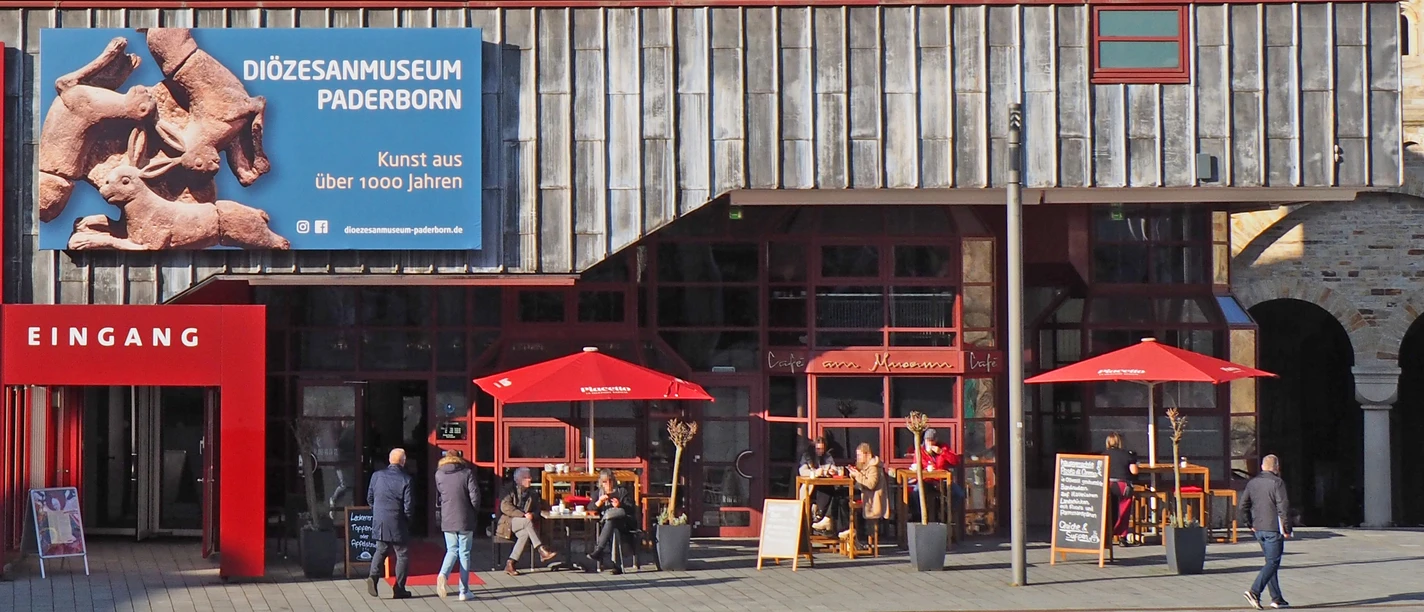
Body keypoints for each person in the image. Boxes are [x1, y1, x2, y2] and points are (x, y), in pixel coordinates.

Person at [1239, 454, 1293, 610]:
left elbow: (1243, 506)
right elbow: (1283, 507)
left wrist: (1249, 523)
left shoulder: (1253, 483)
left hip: (1259, 528)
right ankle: (1254, 591)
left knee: (1270, 562)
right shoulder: (1278, 483)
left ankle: (1277, 598)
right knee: (1272, 562)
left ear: (1262, 466)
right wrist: (1287, 528)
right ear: (1276, 467)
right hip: (1273, 528)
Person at [367, 448, 414, 600]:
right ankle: (399, 588)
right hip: (397, 519)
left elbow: (370, 498)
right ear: (403, 461)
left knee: (381, 549)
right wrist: (407, 520)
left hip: (380, 519)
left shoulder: (377, 476)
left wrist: (377, 511)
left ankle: (373, 577)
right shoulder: (406, 479)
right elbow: (408, 506)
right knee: (402, 554)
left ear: (389, 460)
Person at [434, 450, 479, 601]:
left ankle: (443, 574)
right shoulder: (467, 473)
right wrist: (474, 512)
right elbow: (475, 497)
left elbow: (439, 497)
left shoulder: (439, 474)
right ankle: (463, 591)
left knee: (452, 550)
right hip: (465, 518)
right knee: (464, 553)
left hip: (448, 517)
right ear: (459, 459)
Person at [496, 467, 558, 576]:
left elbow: (537, 510)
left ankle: (510, 563)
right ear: (518, 479)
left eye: (529, 477)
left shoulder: (532, 493)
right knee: (527, 522)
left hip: (523, 524)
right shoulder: (508, 490)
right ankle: (541, 550)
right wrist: (523, 515)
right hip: (507, 523)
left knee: (524, 534)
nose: (529, 480)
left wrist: (532, 514)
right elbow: (505, 507)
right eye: (525, 478)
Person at [585, 469, 639, 574]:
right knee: (610, 523)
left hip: (624, 523)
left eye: (610, 481)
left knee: (612, 521)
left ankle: (599, 550)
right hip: (603, 525)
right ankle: (615, 565)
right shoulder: (598, 493)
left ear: (613, 481)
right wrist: (599, 502)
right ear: (601, 483)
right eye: (605, 482)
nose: (608, 484)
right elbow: (590, 508)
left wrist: (620, 505)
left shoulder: (622, 491)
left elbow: (631, 508)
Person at [904, 428, 959, 523]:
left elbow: (956, 461)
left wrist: (942, 452)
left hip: (942, 481)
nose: (929, 443)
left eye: (931, 441)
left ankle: (949, 516)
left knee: (959, 493)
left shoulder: (943, 448)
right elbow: (917, 467)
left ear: (936, 440)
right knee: (916, 491)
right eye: (927, 441)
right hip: (927, 481)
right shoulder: (920, 451)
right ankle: (919, 517)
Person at [844, 443, 889, 547]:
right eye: (857, 455)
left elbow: (870, 485)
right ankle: (853, 536)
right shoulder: (865, 466)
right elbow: (860, 484)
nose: (858, 458)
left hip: (873, 500)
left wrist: (858, 475)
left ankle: (858, 539)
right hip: (866, 497)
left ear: (867, 454)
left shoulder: (873, 467)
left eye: (860, 455)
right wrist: (854, 475)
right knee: (844, 501)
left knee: (851, 507)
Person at [798, 436, 844, 532]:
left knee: (833, 491)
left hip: (825, 485)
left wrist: (833, 471)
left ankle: (821, 516)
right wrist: (814, 473)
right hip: (810, 488)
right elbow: (802, 471)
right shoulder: (807, 456)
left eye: (822, 449)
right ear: (814, 448)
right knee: (827, 491)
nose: (820, 451)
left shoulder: (827, 456)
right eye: (818, 449)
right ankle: (820, 516)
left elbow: (834, 467)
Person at [1102, 432, 1140, 542]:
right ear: (1119, 442)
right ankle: (1122, 536)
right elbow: (1134, 471)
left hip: (1107, 485)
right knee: (1124, 509)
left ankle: (1106, 534)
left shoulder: (1103, 455)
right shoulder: (1127, 454)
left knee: (1107, 509)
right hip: (1122, 485)